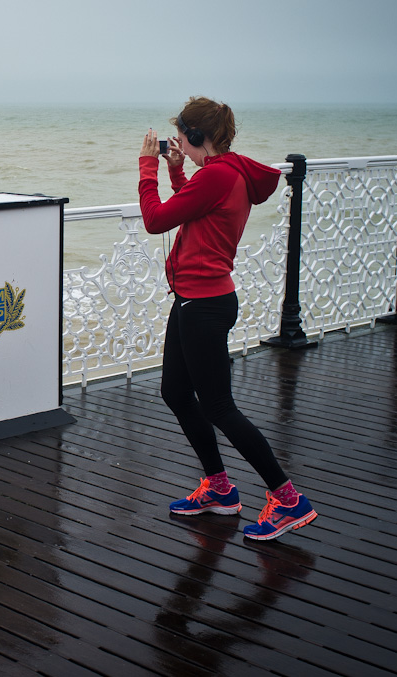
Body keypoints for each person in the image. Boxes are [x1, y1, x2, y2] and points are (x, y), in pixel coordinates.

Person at [138, 96, 318, 541]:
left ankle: (289, 499)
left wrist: (147, 168)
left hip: (205, 305)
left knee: (219, 407)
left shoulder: (217, 176)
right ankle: (219, 489)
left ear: (198, 137)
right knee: (176, 392)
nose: (176, 142)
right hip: (195, 300)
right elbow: (193, 204)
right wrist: (178, 170)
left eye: (181, 136)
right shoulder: (227, 172)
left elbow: (156, 219)